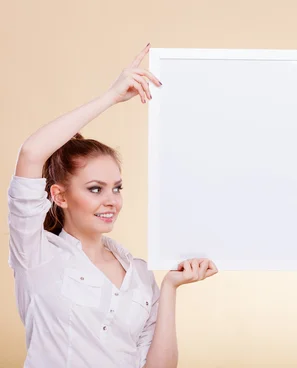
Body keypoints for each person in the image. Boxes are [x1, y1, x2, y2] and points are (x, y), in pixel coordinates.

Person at [8, 44, 217, 368]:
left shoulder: (139, 274)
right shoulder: (36, 254)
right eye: (95, 189)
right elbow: (32, 153)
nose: (112, 200)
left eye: (116, 188)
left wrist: (171, 287)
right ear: (60, 196)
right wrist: (111, 97)